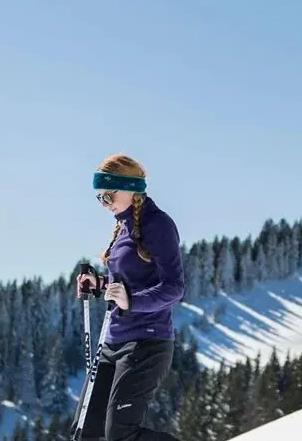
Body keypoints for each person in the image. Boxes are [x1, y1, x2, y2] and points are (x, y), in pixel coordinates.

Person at [75, 154, 185, 441]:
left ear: (130, 188)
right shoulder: (124, 226)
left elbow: (174, 286)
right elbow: (125, 284)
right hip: (113, 341)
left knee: (120, 435)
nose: (104, 203)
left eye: (108, 195)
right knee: (86, 430)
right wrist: (99, 284)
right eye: (100, 198)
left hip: (146, 342)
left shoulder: (157, 224)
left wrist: (132, 300)